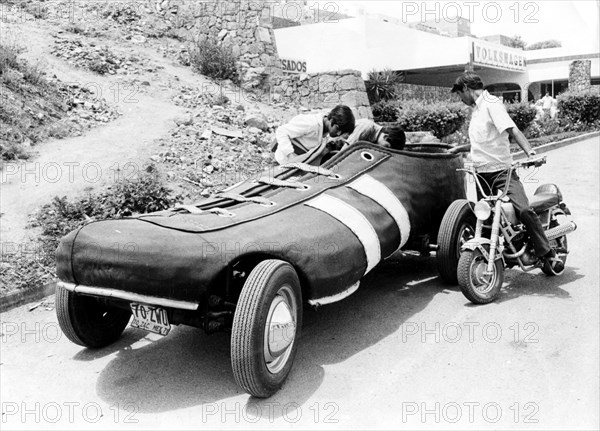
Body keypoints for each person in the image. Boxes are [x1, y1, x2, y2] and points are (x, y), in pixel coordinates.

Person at [448, 72, 563, 272]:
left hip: (502, 173)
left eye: (459, 94)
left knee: (524, 210)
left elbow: (512, 130)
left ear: (466, 88)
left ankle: (547, 253)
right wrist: (458, 149)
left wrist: (530, 152)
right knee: (486, 218)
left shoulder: (491, 104)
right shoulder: (476, 110)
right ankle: (501, 253)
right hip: (481, 175)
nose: (460, 100)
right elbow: (482, 143)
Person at [274, 105, 355, 165]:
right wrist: (291, 156)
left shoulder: (325, 131)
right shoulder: (311, 124)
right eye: (337, 129)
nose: (338, 134)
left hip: (301, 165)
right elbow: (281, 131)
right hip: (283, 163)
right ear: (331, 120)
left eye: (341, 132)